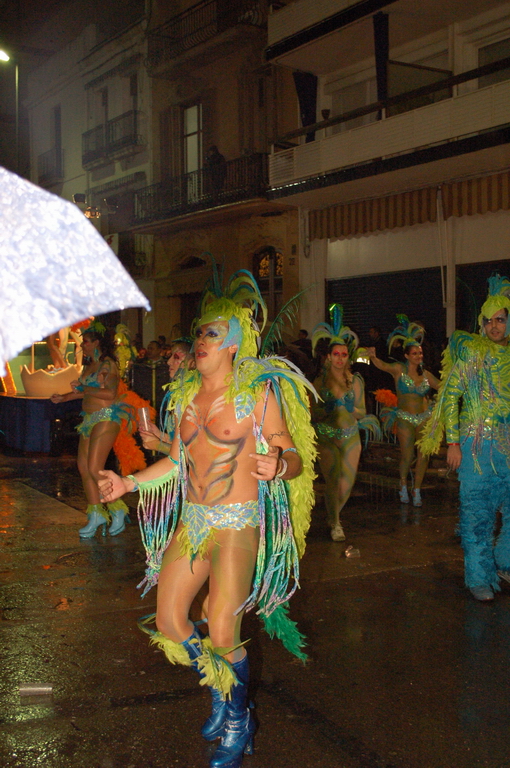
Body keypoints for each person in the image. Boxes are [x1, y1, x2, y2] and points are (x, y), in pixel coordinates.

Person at [98, 266, 317, 768]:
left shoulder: (257, 394)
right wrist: (128, 483)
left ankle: (239, 721)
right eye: (199, 333)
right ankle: (223, 689)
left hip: (238, 524)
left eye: (212, 334)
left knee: (222, 628)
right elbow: (176, 463)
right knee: (170, 621)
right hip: (193, 521)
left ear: (234, 344)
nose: (200, 341)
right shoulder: (183, 396)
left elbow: (294, 455)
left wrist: (279, 464)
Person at [419, 274, 510, 602]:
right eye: (488, 321)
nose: (494, 326)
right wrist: (453, 443)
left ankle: (505, 562)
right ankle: (478, 577)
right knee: (477, 515)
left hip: (507, 446)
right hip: (475, 448)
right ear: (482, 324)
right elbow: (449, 396)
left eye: (500, 319)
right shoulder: (473, 353)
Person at [51, 321, 138, 537]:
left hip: (107, 416)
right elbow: (86, 392)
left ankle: (116, 508)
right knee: (83, 467)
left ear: (98, 343)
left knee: (95, 468)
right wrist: (64, 397)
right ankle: (97, 514)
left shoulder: (108, 365)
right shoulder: (89, 366)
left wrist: (83, 387)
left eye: (87, 342)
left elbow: (109, 394)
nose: (83, 346)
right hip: (89, 418)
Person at [312, 305, 381, 542]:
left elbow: (362, 411)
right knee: (333, 481)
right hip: (326, 436)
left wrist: (352, 409)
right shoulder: (319, 382)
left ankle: (332, 513)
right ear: (328, 357)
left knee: (347, 484)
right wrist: (326, 409)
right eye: (336, 354)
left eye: (344, 354)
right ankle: (336, 523)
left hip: (351, 436)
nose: (340, 358)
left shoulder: (355, 381)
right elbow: (313, 414)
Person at [367, 315, 440, 506]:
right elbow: (382, 365)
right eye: (414, 353)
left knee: (424, 454)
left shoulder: (426, 374)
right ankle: (403, 485)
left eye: (420, 353)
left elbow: (443, 387)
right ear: (407, 356)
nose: (418, 356)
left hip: (424, 417)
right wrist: (373, 357)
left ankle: (417, 490)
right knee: (408, 456)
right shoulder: (399, 369)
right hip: (404, 418)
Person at [139, 338, 194, 454]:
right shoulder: (180, 393)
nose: (169, 362)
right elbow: (179, 441)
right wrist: (159, 435)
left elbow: (194, 455)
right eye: (170, 356)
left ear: (192, 362)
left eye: (176, 357)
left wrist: (158, 445)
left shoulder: (194, 397)